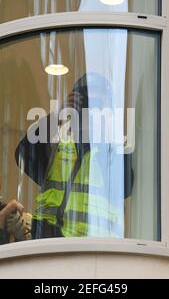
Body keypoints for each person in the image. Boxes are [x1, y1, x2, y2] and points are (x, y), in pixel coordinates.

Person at [15, 73, 133, 239]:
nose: (91, 108)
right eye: (87, 101)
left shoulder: (115, 147)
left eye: (98, 103)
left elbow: (125, 187)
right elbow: (23, 154)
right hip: (53, 241)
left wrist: (102, 133)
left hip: (100, 244)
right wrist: (58, 116)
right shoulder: (59, 146)